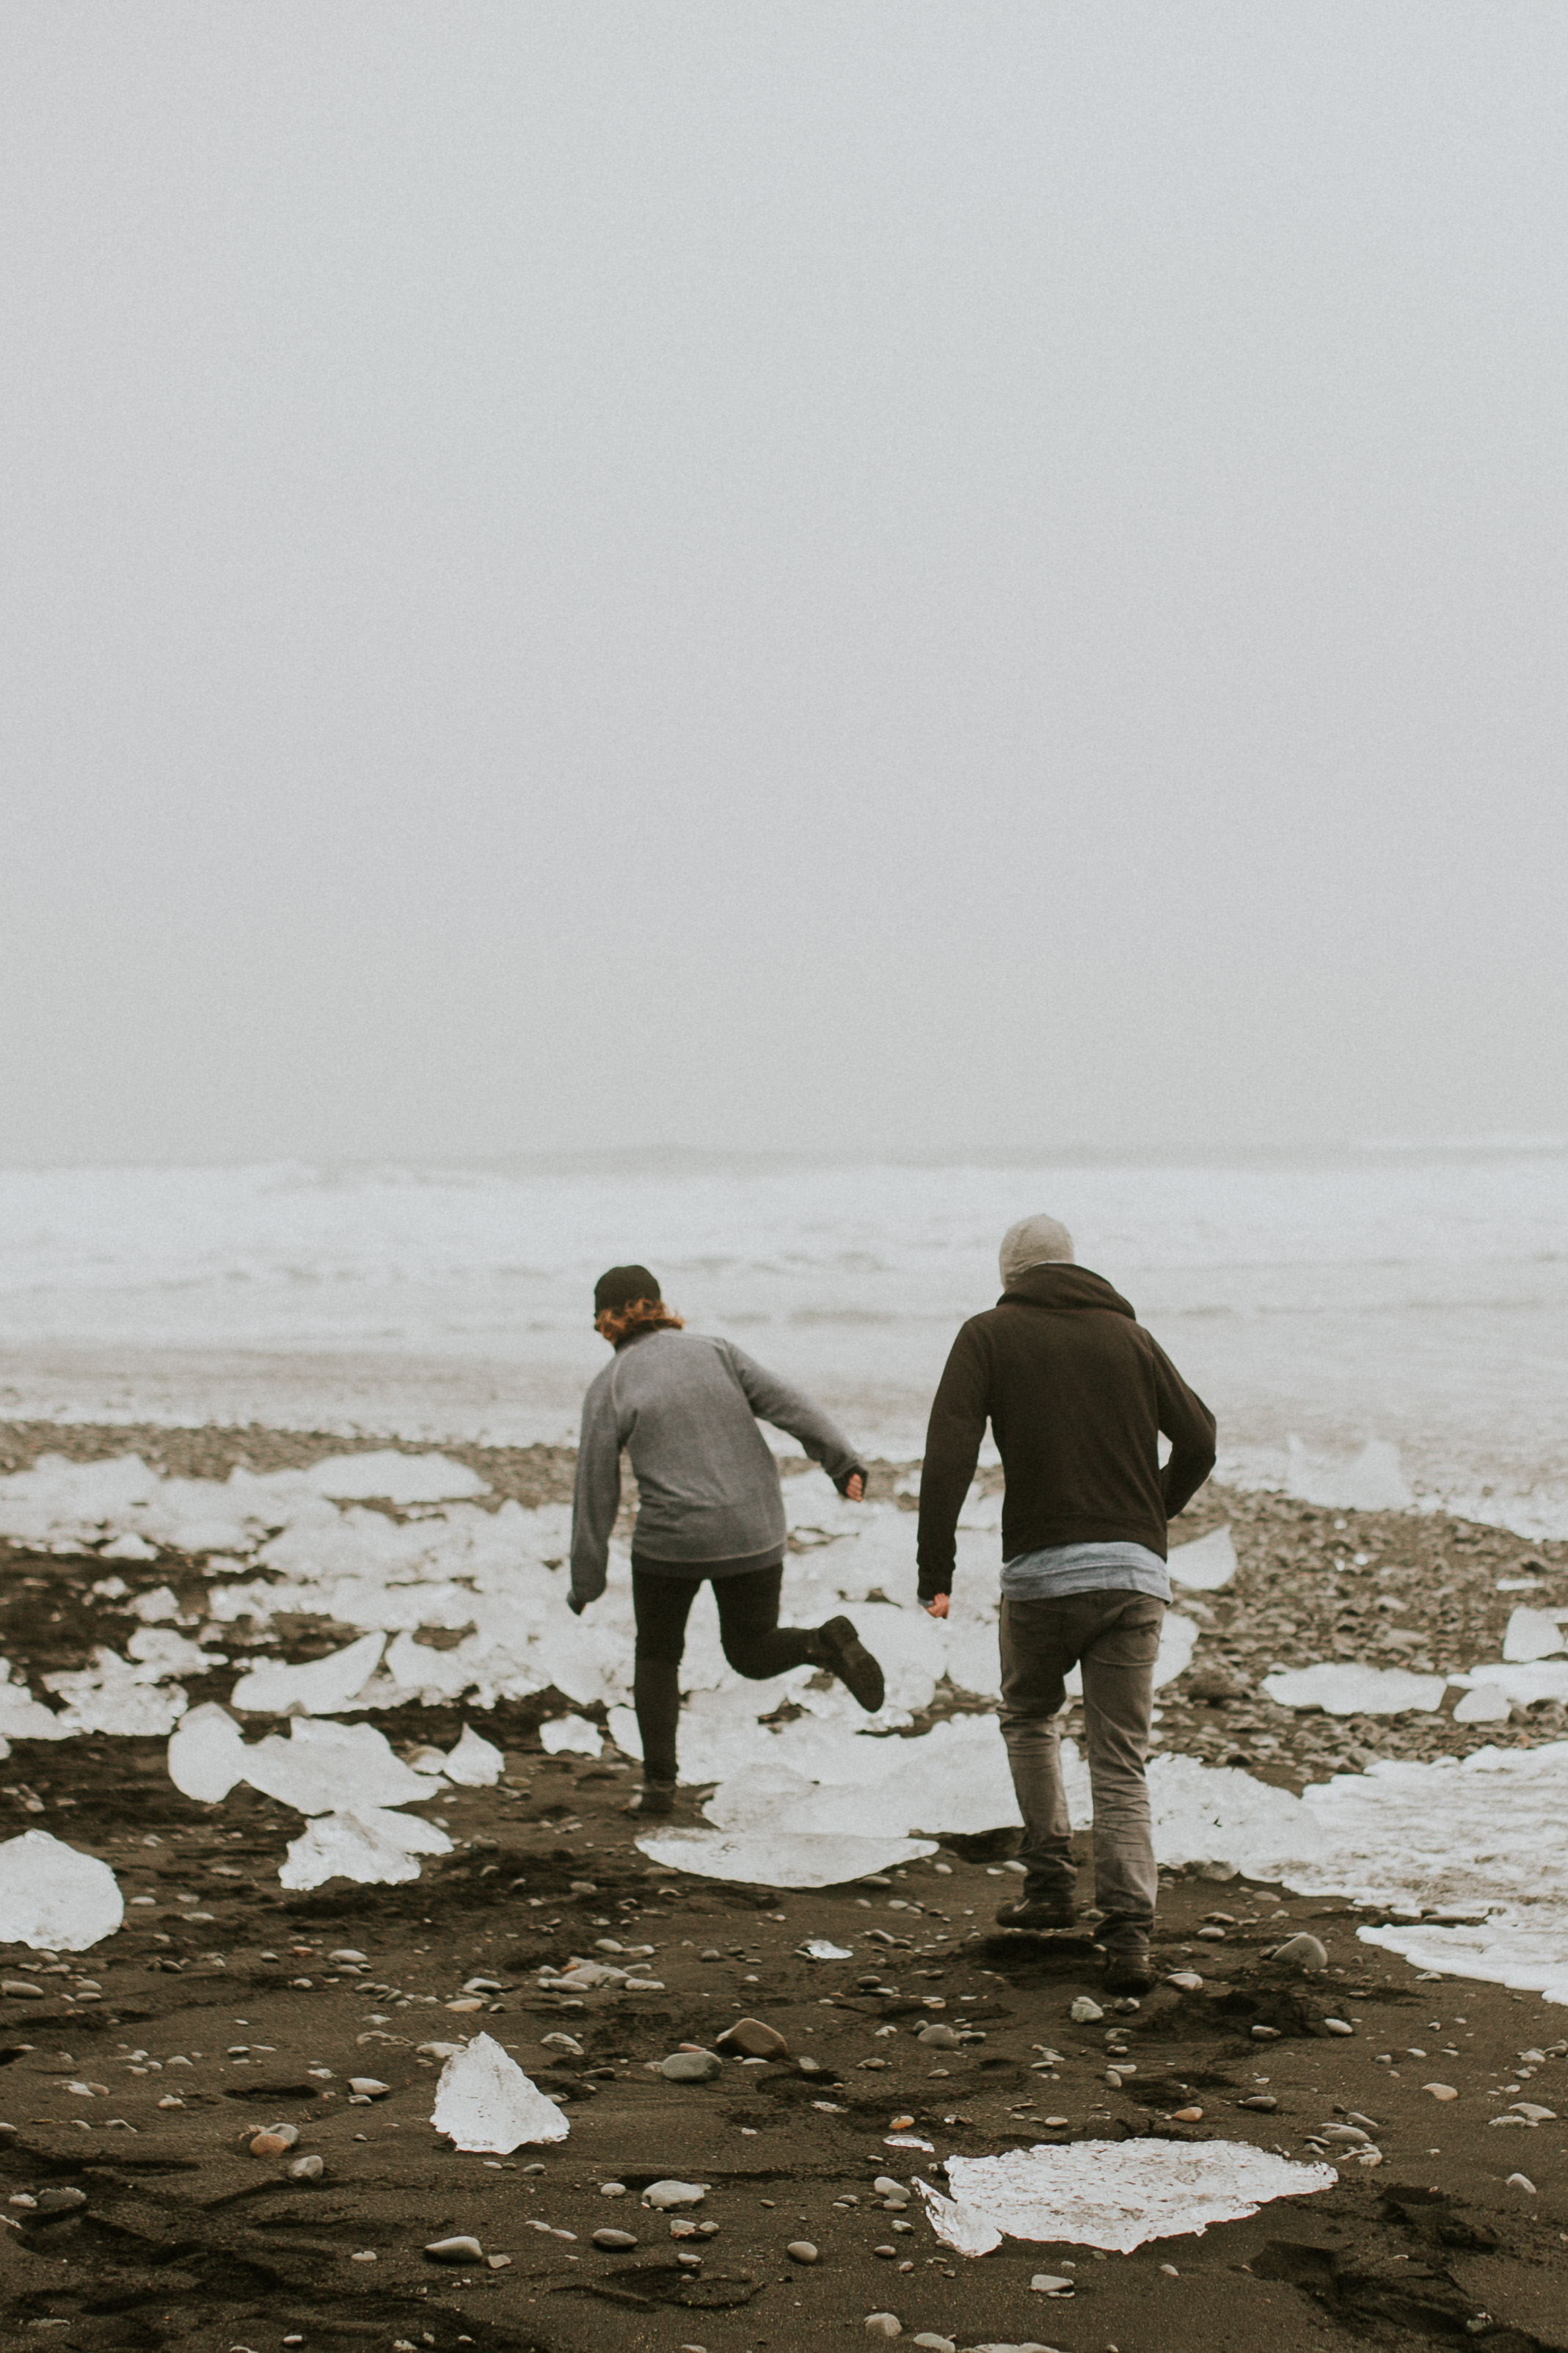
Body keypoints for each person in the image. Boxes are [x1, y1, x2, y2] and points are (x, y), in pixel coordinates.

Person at [916, 1213, 1217, 1992]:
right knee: (1120, 1757)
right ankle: (1128, 1939)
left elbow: (949, 1451)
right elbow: (1201, 1438)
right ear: (1074, 1266)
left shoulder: (988, 1334)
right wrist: (1149, 1515)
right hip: (1133, 1575)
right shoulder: (1131, 1338)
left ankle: (1049, 1885)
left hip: (1042, 1574)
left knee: (1028, 1715)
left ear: (1009, 1275)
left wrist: (934, 1566)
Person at [569, 1264, 886, 1814]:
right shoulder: (717, 1350)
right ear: (658, 1305)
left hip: (674, 1541)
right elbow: (792, 1405)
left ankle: (659, 1788)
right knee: (751, 1649)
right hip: (754, 1526)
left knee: (658, 1656)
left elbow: (595, 1489)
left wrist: (586, 1580)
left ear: (606, 1319)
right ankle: (821, 1644)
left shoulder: (611, 1383)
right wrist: (842, 1463)